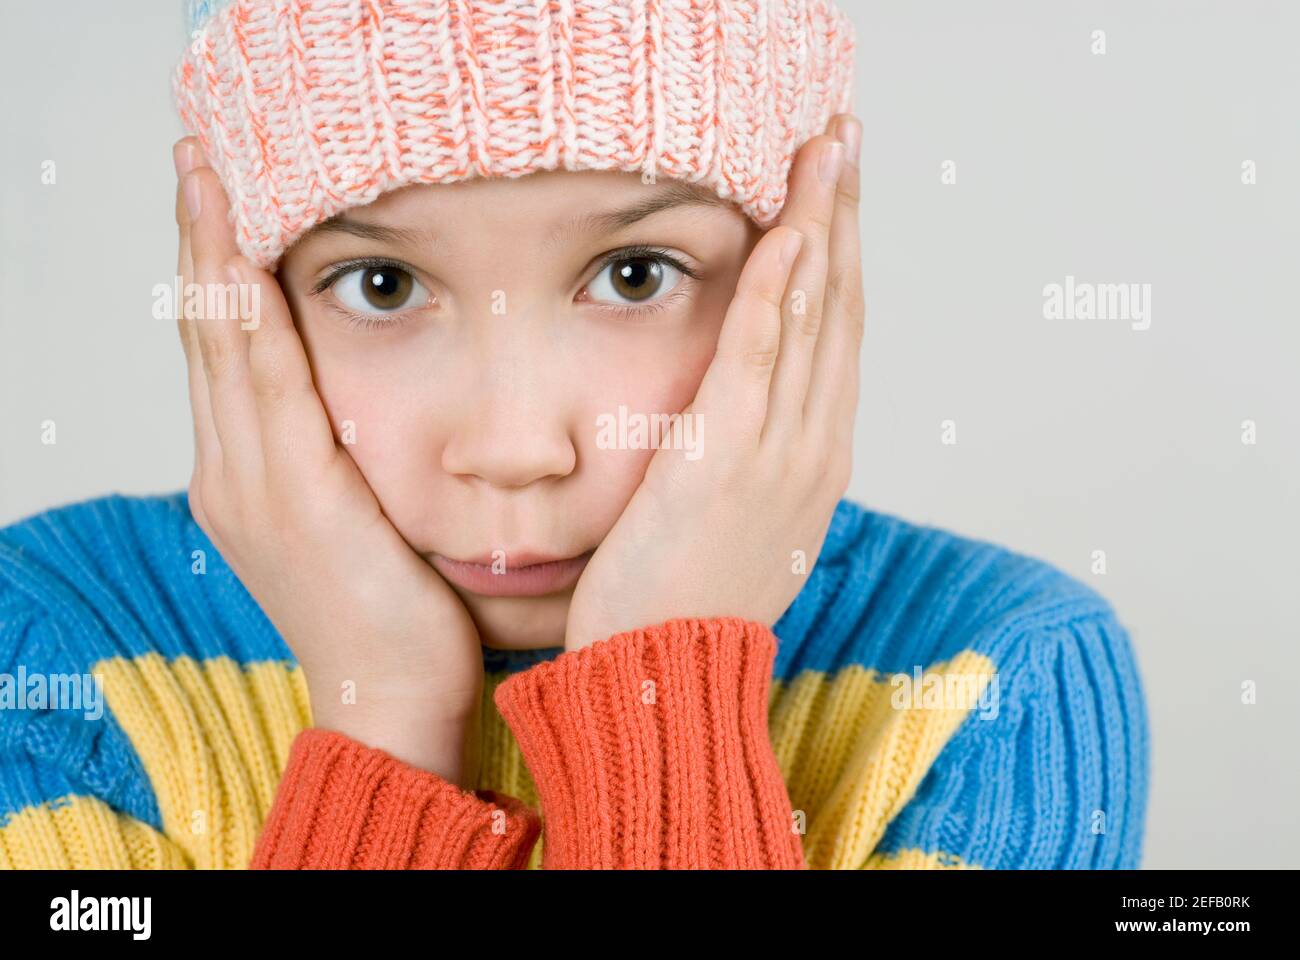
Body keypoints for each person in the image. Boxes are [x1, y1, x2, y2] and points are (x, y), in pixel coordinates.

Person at [0, 0, 1147, 869]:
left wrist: (661, 696)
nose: (512, 447)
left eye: (634, 273)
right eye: (384, 284)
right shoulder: (55, 655)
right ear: (239, 291)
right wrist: (383, 713)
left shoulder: (995, 679)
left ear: (800, 275)